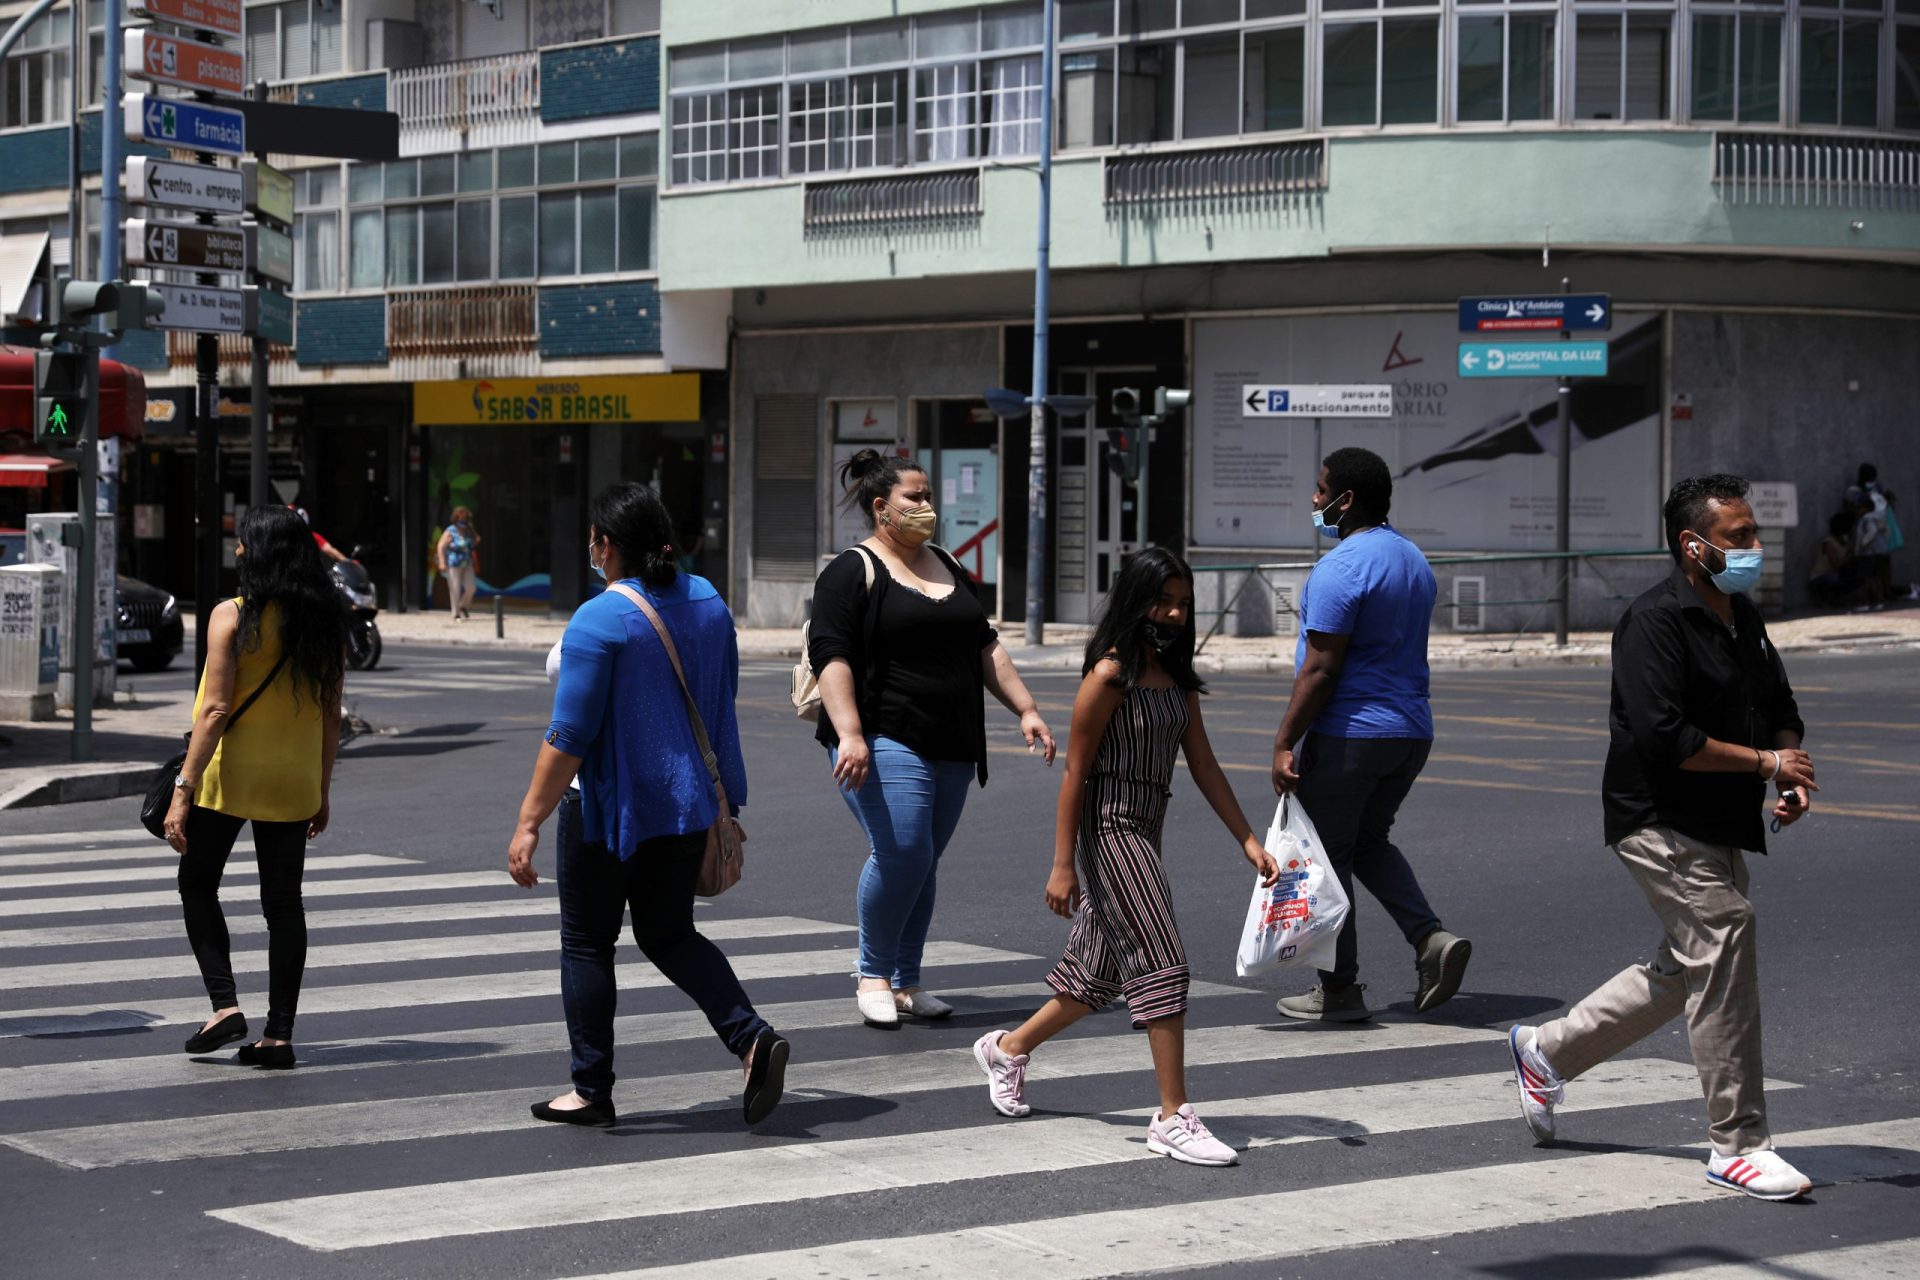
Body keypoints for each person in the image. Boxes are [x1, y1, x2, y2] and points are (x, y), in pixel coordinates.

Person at [1508, 474, 1819, 1201]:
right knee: (1726, 934)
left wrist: (1788, 767)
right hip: (1657, 816)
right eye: (1739, 537)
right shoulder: (1654, 622)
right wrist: (1767, 762)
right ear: (1693, 545)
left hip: (1720, 819)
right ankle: (1738, 1144)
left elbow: (1780, 702)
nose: (1754, 548)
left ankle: (1546, 1053)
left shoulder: (1741, 616)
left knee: (1689, 967)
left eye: (1753, 534)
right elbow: (1667, 737)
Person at [973, 549, 1279, 1167]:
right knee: (1162, 958)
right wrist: (1063, 864)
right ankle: (1173, 1117)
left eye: (1183, 604)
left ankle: (1006, 1049)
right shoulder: (1109, 675)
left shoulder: (1177, 679)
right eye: (1161, 600)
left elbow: (1205, 764)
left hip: (1148, 828)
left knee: (1100, 973)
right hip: (1110, 830)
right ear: (1134, 601)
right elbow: (1076, 774)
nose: (1171, 613)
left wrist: (1248, 840)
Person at [507, 482, 787, 1128]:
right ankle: (750, 1038)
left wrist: (527, 822)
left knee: (586, 943)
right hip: (687, 804)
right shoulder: (710, 603)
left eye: (593, 539)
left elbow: (568, 738)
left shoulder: (599, 618)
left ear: (606, 545)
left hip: (606, 810)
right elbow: (720, 697)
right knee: (668, 932)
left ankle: (591, 1088)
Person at [809, 449, 1057, 1028]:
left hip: (952, 740)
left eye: (927, 496)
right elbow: (831, 654)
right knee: (903, 852)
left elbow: (984, 645)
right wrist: (849, 733)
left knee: (923, 862)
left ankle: (906, 980)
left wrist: (1026, 709)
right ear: (881, 507)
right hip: (882, 734)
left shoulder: (946, 562)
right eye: (913, 498)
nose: (926, 507)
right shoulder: (851, 571)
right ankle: (872, 974)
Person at [1269, 447, 1470, 1023]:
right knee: (1368, 843)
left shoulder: (1341, 568)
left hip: (1351, 734)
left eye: (1321, 487)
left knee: (1327, 862)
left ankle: (1339, 991)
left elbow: (1321, 668)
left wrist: (1285, 741)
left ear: (1346, 499)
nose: (1314, 498)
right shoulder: (1412, 559)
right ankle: (1429, 938)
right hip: (1410, 732)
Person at [167, 504, 346, 1070]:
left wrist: (182, 786)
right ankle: (279, 1036)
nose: (238, 550)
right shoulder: (325, 620)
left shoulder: (231, 616)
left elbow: (215, 709)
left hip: (230, 776)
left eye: (245, 542)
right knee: (284, 906)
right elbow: (331, 712)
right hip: (293, 781)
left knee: (196, 883)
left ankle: (224, 1005)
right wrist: (321, 789)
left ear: (262, 551)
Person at [1807, 511, 1860, 609]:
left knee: (1857, 577)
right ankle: (1826, 599)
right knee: (1834, 579)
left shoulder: (1844, 543)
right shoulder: (1829, 543)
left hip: (1834, 575)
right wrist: (1849, 557)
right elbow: (1835, 564)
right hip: (1820, 577)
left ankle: (1836, 599)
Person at [437, 507, 481, 621]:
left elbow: (476, 539)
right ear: (456, 517)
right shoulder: (450, 531)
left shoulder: (469, 529)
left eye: (465, 516)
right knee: (454, 588)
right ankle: (455, 613)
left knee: (471, 587)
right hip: (453, 563)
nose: (463, 519)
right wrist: (442, 562)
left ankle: (463, 606)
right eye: (461, 516)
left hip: (467, 562)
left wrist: (475, 540)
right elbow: (441, 546)